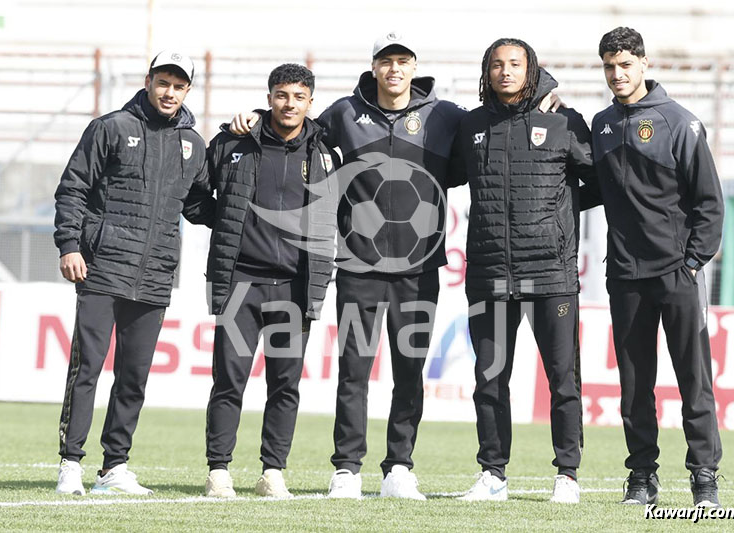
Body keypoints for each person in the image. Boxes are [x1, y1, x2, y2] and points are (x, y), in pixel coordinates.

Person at [231, 32, 559, 500]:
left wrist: (544, 89)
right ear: (375, 67)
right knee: (354, 371)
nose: (395, 70)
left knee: (409, 371)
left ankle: (399, 468)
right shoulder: (345, 113)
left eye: (403, 61)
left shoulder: (444, 116)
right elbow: (296, 130)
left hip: (419, 270)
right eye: (387, 61)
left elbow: (499, 116)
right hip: (358, 268)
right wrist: (255, 118)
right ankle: (346, 468)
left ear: (414, 67)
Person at [53, 50, 214, 495]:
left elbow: (200, 205)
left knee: (134, 375)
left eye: (179, 86)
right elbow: (73, 189)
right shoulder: (111, 127)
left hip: (155, 273)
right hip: (101, 267)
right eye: (163, 82)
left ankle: (114, 467)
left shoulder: (193, 144)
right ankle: (71, 462)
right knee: (87, 369)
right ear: (148, 82)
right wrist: (69, 245)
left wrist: (244, 211)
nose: (170, 92)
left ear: (187, 91)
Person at [450, 38, 596, 504]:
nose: (505, 71)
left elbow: (600, 180)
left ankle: (567, 475)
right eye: (497, 64)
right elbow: (438, 171)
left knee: (563, 378)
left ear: (531, 69)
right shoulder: (470, 125)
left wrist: (559, 217)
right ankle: (492, 474)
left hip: (550, 274)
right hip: (490, 273)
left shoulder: (564, 120)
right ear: (486, 71)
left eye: (515, 64)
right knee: (490, 379)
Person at [587, 27, 724, 508]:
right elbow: (586, 187)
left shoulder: (679, 123)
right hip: (625, 276)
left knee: (694, 380)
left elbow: (710, 203)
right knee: (634, 385)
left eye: (625, 64)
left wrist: (690, 264)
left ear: (643, 63)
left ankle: (704, 477)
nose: (617, 74)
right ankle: (642, 477)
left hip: (677, 274)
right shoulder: (600, 124)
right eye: (608, 65)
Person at [202, 64, 337, 499]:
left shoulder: (326, 152)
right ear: (269, 97)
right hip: (241, 282)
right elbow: (196, 195)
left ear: (310, 102)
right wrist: (227, 224)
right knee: (229, 381)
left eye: (299, 96)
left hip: (294, 287)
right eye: (282, 95)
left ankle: (272, 471)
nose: (289, 104)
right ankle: (219, 471)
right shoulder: (232, 142)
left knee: (285, 385)